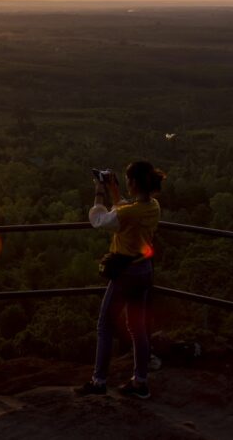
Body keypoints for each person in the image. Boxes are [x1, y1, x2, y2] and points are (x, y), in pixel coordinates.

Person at [75, 160, 164, 400]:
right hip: (144, 270)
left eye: (126, 180)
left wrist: (99, 192)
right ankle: (141, 382)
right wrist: (114, 191)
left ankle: (99, 381)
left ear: (133, 182)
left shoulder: (128, 213)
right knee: (137, 327)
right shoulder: (153, 206)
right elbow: (124, 211)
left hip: (126, 274)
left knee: (105, 325)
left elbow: (100, 220)